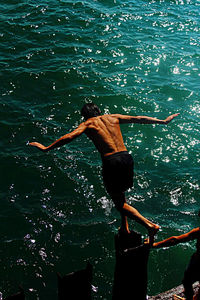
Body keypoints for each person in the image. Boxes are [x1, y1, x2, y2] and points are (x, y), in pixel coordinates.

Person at [29, 103, 179, 243]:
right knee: (120, 194)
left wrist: (46, 148)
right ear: (99, 111)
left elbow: (69, 137)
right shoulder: (113, 117)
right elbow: (138, 118)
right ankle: (124, 226)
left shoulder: (88, 124)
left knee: (119, 203)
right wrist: (163, 121)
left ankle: (150, 225)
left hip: (111, 162)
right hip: (126, 158)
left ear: (84, 116)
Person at [153, 210, 200, 300]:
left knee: (187, 281)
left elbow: (175, 240)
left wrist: (154, 245)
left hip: (197, 262)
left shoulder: (198, 232)